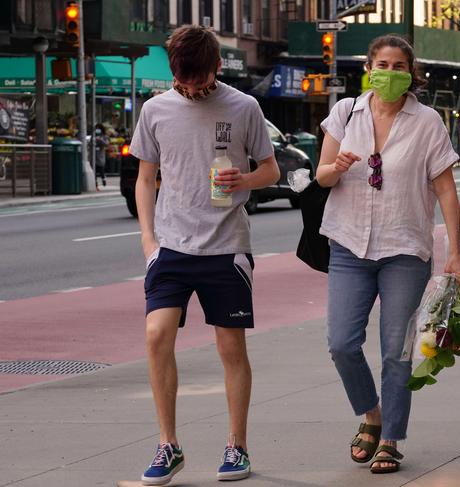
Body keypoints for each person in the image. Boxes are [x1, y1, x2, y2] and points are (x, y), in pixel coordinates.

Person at [129, 25, 279, 485]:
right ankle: (167, 444)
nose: (190, 87)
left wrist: (244, 180)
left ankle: (237, 446)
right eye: (182, 79)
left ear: (216, 67)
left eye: (198, 78)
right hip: (171, 246)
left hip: (226, 246)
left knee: (230, 347)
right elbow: (144, 178)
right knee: (157, 337)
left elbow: (271, 169)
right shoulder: (155, 109)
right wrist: (148, 241)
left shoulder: (243, 106)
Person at [316, 34, 460, 475]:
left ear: (411, 73)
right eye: (382, 64)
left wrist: (455, 252)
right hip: (348, 246)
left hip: (405, 249)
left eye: (399, 66)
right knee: (342, 344)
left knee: (396, 351)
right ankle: (371, 413)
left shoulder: (427, 122)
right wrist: (337, 166)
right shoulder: (346, 113)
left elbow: (444, 187)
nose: (390, 72)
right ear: (369, 66)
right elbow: (322, 177)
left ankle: (389, 438)